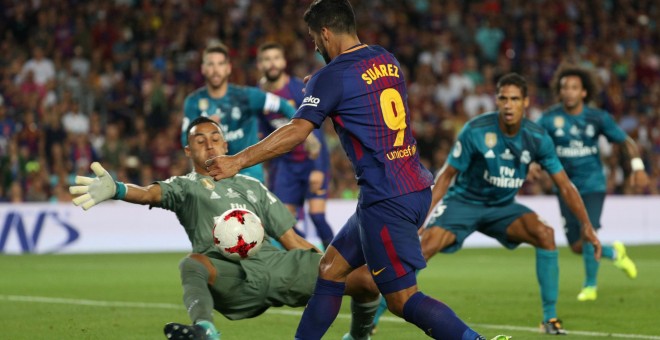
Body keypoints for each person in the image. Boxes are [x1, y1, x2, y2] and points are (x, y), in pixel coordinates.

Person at [206, 1, 508, 339]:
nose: (315, 46)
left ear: (324, 33)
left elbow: (297, 132)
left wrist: (237, 160)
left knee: (402, 299)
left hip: (387, 198)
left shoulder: (331, 76)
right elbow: (361, 93)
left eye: (313, 38)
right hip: (411, 185)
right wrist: (321, 86)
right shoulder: (385, 58)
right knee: (331, 269)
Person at [69, 117, 380, 340]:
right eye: (199, 141)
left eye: (215, 138)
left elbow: (291, 238)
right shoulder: (184, 188)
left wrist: (326, 268)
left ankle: (357, 336)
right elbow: (150, 193)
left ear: (225, 143)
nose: (209, 144)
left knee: (366, 279)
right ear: (188, 152)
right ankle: (204, 329)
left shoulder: (252, 186)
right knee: (192, 265)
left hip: (277, 266)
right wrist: (119, 190)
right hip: (232, 278)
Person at [415, 73, 602, 335]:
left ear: (525, 102)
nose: (508, 104)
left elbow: (565, 185)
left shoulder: (537, 138)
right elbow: (446, 177)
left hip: (502, 208)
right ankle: (374, 316)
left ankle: (549, 318)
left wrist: (586, 225)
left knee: (545, 234)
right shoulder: (476, 130)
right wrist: (419, 218)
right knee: (420, 250)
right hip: (464, 202)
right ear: (497, 100)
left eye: (515, 99)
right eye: (503, 98)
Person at [536, 64, 646, 301]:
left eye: (574, 88)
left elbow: (626, 141)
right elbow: (533, 145)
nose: (568, 92)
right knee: (576, 245)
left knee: (588, 234)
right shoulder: (549, 118)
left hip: (593, 184)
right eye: (564, 87)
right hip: (564, 186)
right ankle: (614, 253)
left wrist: (637, 167)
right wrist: (533, 165)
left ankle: (590, 287)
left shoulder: (598, 117)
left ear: (584, 92)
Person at [181, 43, 320, 183]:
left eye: (220, 64)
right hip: (214, 174)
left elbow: (282, 105)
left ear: (228, 68)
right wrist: (205, 129)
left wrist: (307, 134)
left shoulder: (246, 96)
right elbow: (185, 139)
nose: (215, 70)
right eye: (210, 64)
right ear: (203, 69)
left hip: (248, 175)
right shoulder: (193, 102)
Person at [256, 42, 334, 250]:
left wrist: (318, 168)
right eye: (266, 59)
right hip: (285, 166)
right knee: (283, 224)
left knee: (317, 216)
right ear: (260, 65)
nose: (272, 64)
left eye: (275, 58)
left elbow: (316, 131)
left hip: (311, 160)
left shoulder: (297, 90)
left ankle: (337, 262)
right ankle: (312, 256)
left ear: (283, 62)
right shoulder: (259, 96)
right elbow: (264, 133)